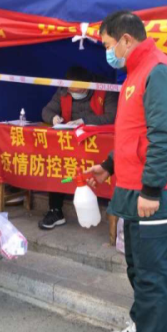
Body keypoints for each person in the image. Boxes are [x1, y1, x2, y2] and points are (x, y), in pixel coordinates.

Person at [88, 11, 167, 332]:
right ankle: (142, 327)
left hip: (156, 197)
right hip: (133, 193)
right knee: (137, 268)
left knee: (153, 277)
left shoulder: (158, 72)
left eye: (107, 45)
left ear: (126, 40)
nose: (107, 53)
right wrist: (108, 166)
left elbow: (166, 137)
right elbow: (134, 134)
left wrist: (151, 189)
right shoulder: (135, 73)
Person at [39, 65, 118, 230]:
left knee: (104, 171)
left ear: (88, 85)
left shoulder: (104, 88)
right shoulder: (64, 89)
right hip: (71, 145)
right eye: (71, 90)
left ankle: (114, 213)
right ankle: (55, 210)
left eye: (78, 90)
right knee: (58, 166)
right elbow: (46, 110)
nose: (74, 93)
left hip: (99, 146)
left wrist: (84, 121)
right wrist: (53, 118)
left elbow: (112, 116)